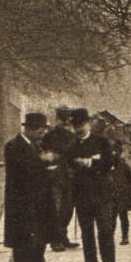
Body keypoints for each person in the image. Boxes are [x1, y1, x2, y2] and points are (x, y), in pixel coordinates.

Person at [3, 112, 57, 262]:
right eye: (40, 132)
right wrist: (42, 163)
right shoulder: (13, 146)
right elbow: (20, 172)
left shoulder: (35, 145)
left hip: (38, 196)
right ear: (30, 129)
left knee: (40, 232)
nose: (42, 135)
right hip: (21, 198)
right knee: (22, 235)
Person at [68, 108, 117, 262]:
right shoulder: (72, 146)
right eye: (75, 125)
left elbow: (109, 163)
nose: (78, 129)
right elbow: (69, 167)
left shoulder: (101, 142)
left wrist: (89, 163)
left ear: (88, 123)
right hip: (82, 194)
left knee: (104, 228)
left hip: (101, 192)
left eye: (81, 124)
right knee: (86, 231)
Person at [41, 106, 78, 252]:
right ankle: (56, 239)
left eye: (67, 119)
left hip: (69, 176)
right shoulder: (48, 136)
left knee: (68, 208)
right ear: (57, 119)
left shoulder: (72, 136)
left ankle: (63, 236)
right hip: (55, 177)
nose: (65, 122)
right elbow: (44, 154)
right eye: (63, 119)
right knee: (56, 208)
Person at [106, 140, 131, 246]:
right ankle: (110, 236)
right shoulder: (106, 167)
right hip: (112, 194)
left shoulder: (123, 165)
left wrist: (129, 188)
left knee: (123, 216)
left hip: (123, 194)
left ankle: (125, 236)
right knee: (112, 217)